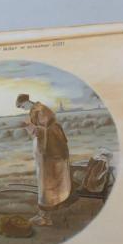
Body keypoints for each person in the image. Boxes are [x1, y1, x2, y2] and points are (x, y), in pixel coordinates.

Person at [15, 93, 72, 226]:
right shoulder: (36, 110)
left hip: (51, 150)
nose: (23, 109)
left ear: (26, 102)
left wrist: (27, 126)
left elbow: (43, 131)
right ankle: (44, 214)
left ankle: (45, 217)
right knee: (46, 181)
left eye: (22, 106)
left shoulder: (40, 110)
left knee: (48, 182)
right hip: (48, 150)